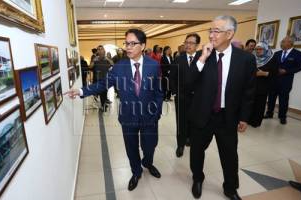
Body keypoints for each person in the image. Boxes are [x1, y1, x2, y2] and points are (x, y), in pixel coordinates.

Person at [66, 29, 163, 191]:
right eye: (127, 43)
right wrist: (82, 91)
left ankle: (147, 162)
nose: (128, 47)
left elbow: (158, 91)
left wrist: (157, 112)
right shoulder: (119, 67)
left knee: (150, 145)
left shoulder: (154, 65)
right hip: (128, 116)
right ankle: (136, 171)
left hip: (149, 116)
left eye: (133, 43)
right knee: (131, 147)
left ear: (143, 45)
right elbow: (103, 84)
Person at [188, 15, 256, 200]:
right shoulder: (202, 56)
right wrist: (202, 58)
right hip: (203, 114)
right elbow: (188, 83)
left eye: (216, 31)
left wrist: (244, 117)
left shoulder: (245, 60)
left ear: (229, 34)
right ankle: (197, 179)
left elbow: (248, 92)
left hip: (228, 116)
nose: (211, 35)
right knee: (196, 151)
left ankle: (230, 188)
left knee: (229, 155)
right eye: (210, 30)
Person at [170, 33, 201, 157]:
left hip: (198, 99)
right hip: (181, 97)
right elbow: (172, 77)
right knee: (181, 122)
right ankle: (180, 144)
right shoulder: (178, 58)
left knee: (194, 121)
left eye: (191, 43)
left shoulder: (202, 58)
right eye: (186, 42)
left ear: (197, 45)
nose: (188, 45)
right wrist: (175, 92)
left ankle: (191, 139)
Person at [264, 36, 301, 124]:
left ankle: (282, 117)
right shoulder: (277, 53)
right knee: (271, 97)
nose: (281, 43)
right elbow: (272, 65)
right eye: (282, 41)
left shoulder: (298, 54)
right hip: (274, 80)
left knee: (284, 99)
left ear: (290, 43)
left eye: (284, 41)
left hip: (286, 81)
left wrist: (286, 71)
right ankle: (269, 113)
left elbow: (299, 67)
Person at [248, 42, 278, 127]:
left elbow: (275, 74)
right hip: (252, 84)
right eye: (256, 49)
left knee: (259, 105)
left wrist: (264, 73)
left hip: (263, 86)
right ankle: (248, 120)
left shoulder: (272, 59)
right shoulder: (253, 58)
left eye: (260, 49)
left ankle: (256, 122)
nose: (258, 51)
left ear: (265, 49)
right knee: (250, 104)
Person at [92, 45, 113, 111]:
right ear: (97, 51)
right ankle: (103, 106)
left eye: (101, 49)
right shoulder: (95, 58)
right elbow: (90, 66)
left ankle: (104, 104)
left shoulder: (107, 59)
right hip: (98, 79)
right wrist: (93, 61)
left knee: (105, 92)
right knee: (101, 93)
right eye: (99, 49)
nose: (100, 50)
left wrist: (108, 59)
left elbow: (113, 65)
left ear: (104, 50)